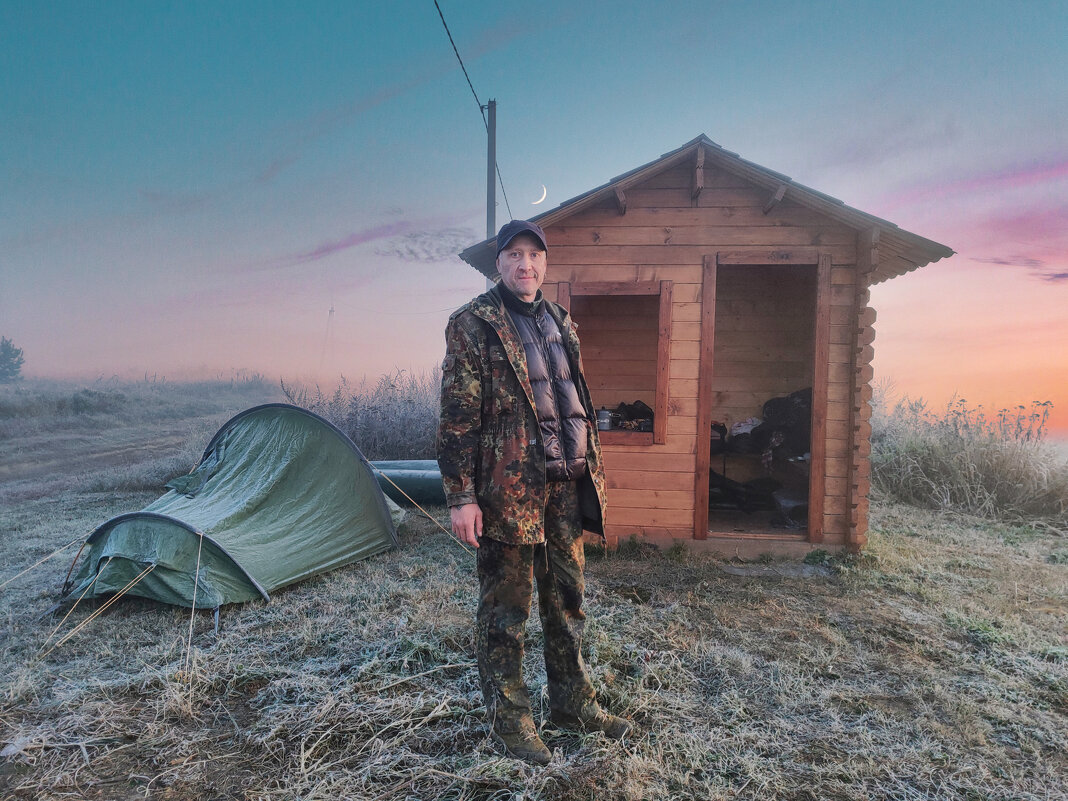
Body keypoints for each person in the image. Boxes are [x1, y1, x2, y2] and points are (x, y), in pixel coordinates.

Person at [437, 219, 633, 765]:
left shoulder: (561, 323)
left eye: (534, 255)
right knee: (507, 612)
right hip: (507, 494)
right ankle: (511, 722)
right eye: (514, 255)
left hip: (565, 489)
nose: (525, 265)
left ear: (545, 264)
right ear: (497, 264)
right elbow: (457, 419)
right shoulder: (473, 324)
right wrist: (461, 496)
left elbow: (574, 404)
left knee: (567, 602)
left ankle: (573, 705)